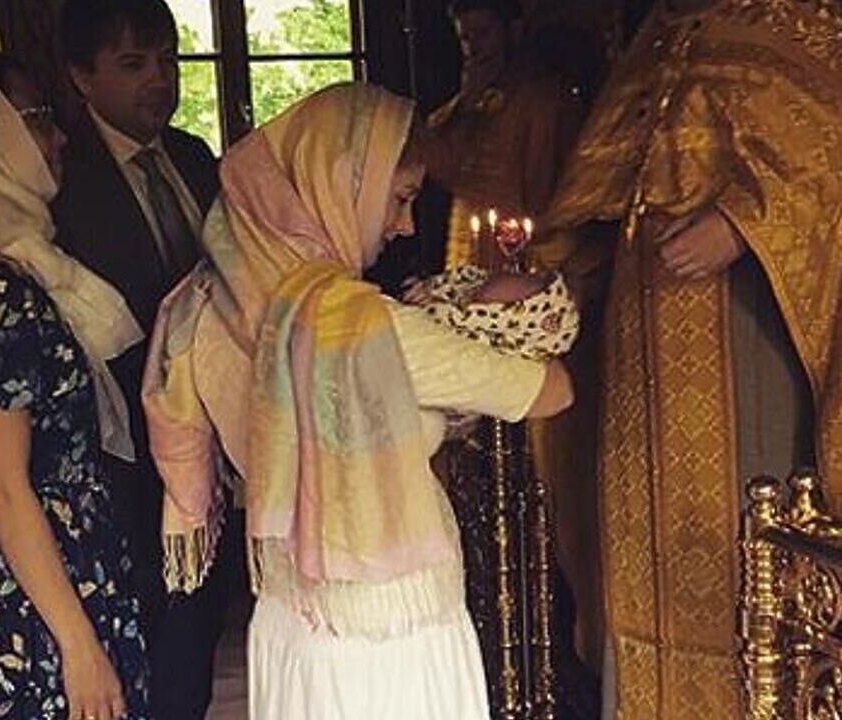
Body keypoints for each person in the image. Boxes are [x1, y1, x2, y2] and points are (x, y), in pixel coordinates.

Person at [539, 0, 842, 717]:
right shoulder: (661, 31)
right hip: (639, 347)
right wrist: (558, 268)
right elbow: (605, 182)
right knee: (644, 558)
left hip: (751, 325)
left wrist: (741, 224)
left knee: (744, 547)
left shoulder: (805, 23)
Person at [140, 83, 574, 719]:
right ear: (339, 185)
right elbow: (552, 389)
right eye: (399, 199)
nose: (405, 226)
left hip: (290, 610)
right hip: (391, 626)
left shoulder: (204, 303)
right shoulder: (364, 328)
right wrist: (477, 310)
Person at [0, 48, 149, 720]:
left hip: (19, 569)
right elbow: (4, 487)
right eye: (38, 117)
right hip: (36, 588)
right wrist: (80, 647)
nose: (59, 135)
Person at [49, 2, 230, 717]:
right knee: (141, 631)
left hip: (207, 438)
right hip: (118, 447)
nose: (160, 79)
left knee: (197, 625)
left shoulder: (193, 157)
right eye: (133, 64)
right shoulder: (61, 178)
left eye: (168, 59)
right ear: (81, 75)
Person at [427, 0, 586, 269]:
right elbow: (435, 163)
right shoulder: (470, 100)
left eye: (483, 33)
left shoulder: (544, 99)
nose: (474, 48)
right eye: (466, 38)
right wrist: (467, 102)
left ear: (513, 30)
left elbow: (548, 193)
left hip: (521, 252)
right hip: (469, 251)